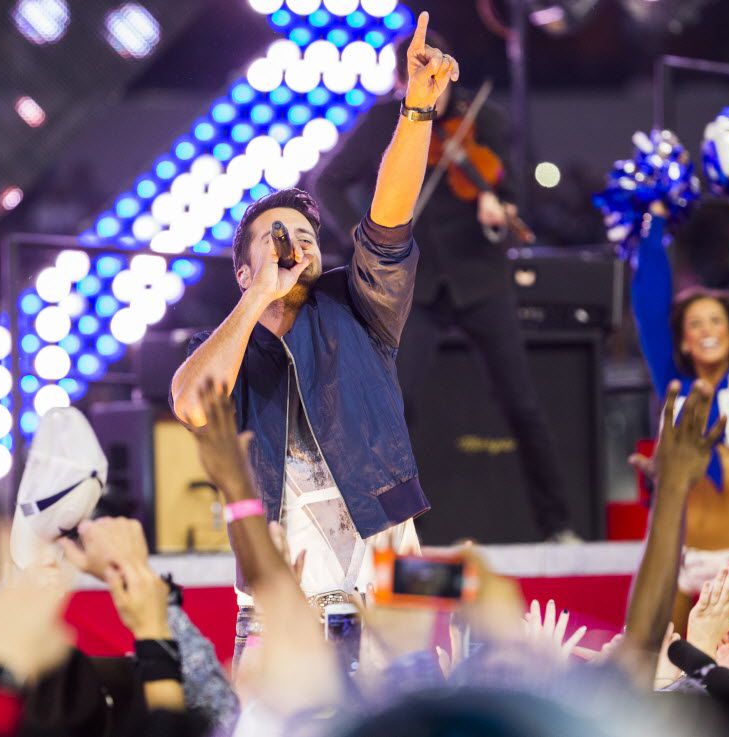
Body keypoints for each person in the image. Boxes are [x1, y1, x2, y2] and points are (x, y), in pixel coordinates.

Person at [169, 12, 459, 665]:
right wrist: (257, 298)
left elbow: (388, 219)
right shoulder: (233, 345)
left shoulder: (354, 307)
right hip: (278, 612)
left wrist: (416, 112)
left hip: (390, 591)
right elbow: (189, 402)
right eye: (277, 239)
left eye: (304, 236)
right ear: (244, 269)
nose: (297, 246)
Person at [309, 28, 578, 543]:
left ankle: (558, 524)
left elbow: (514, 194)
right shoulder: (386, 122)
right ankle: (398, 530)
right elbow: (328, 182)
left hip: (481, 280)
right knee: (396, 403)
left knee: (521, 401)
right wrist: (361, 237)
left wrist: (497, 211)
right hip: (417, 286)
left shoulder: (488, 120)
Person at [629, 196, 729, 632]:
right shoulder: (674, 388)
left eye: (715, 321)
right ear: (683, 342)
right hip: (677, 562)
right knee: (660, 681)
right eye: (694, 324)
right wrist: (654, 223)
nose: (705, 331)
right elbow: (649, 306)